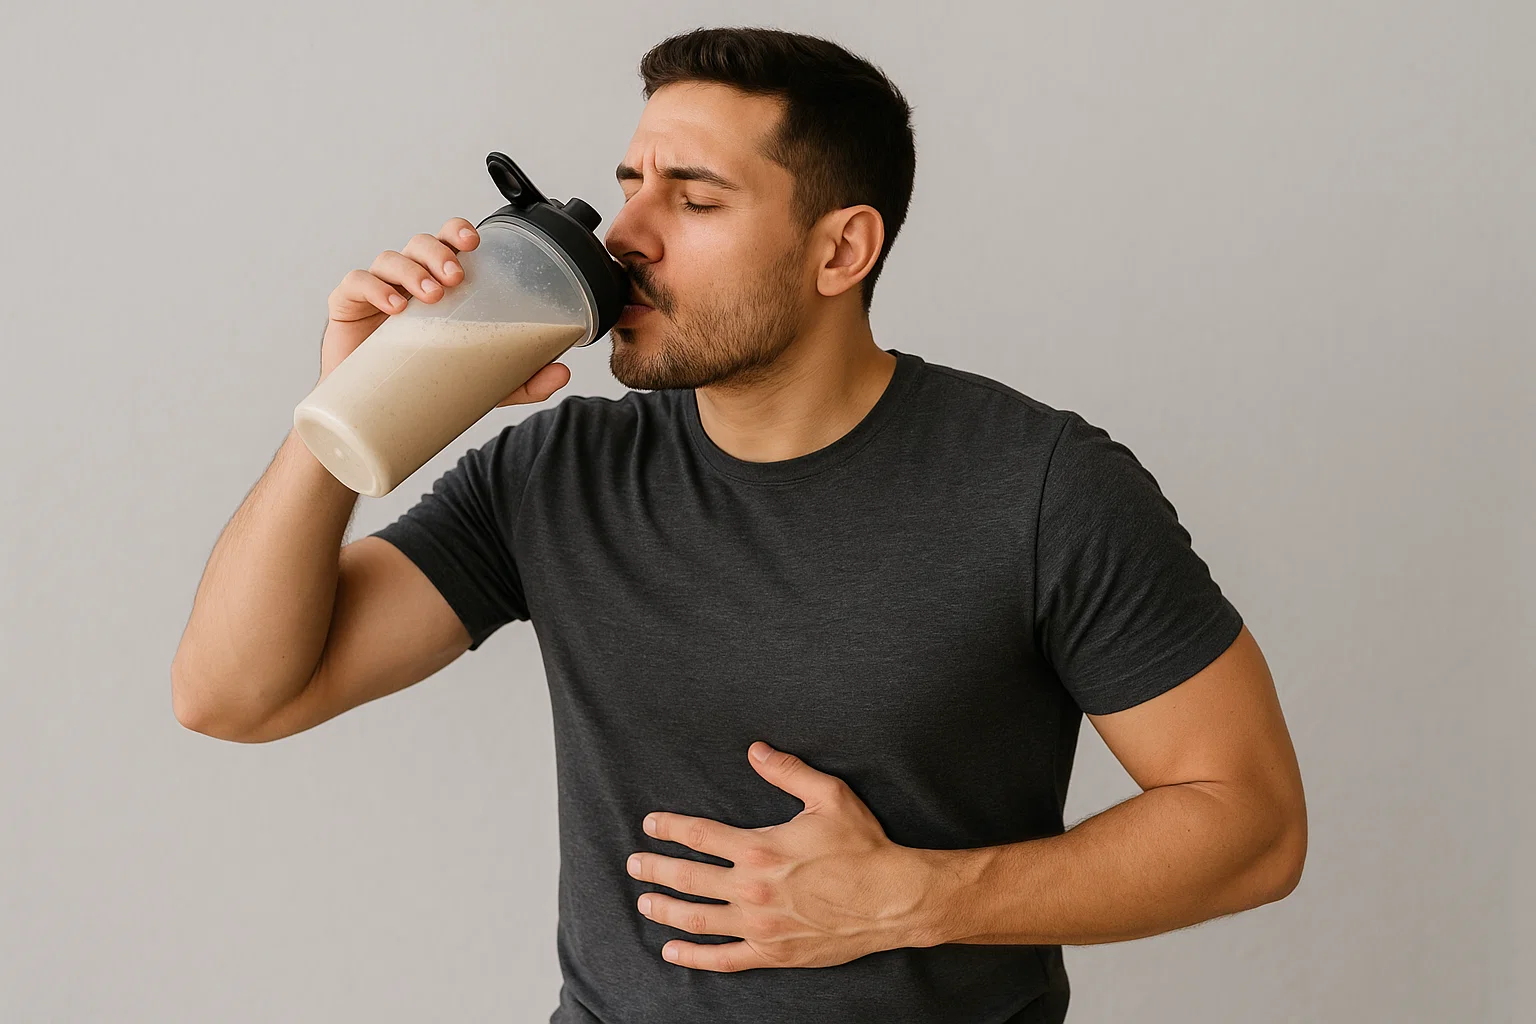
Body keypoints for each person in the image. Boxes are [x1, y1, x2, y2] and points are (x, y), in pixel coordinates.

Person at [171, 26, 1307, 1024]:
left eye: (696, 199)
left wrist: (918, 898)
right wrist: (346, 411)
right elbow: (237, 695)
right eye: (630, 182)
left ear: (840, 251)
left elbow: (1250, 823)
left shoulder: (1042, 486)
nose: (625, 233)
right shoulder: (557, 470)